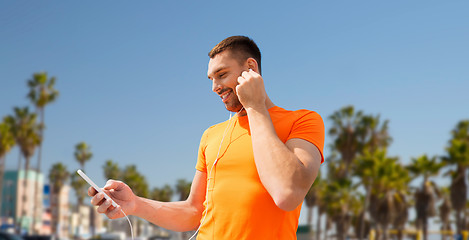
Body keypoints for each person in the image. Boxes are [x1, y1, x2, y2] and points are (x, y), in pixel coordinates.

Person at [88, 35, 325, 239]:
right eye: (211, 79)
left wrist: (255, 107)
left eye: (221, 74)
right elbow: (193, 211)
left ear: (251, 69)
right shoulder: (212, 135)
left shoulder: (303, 120)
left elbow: (287, 194)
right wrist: (135, 204)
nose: (215, 87)